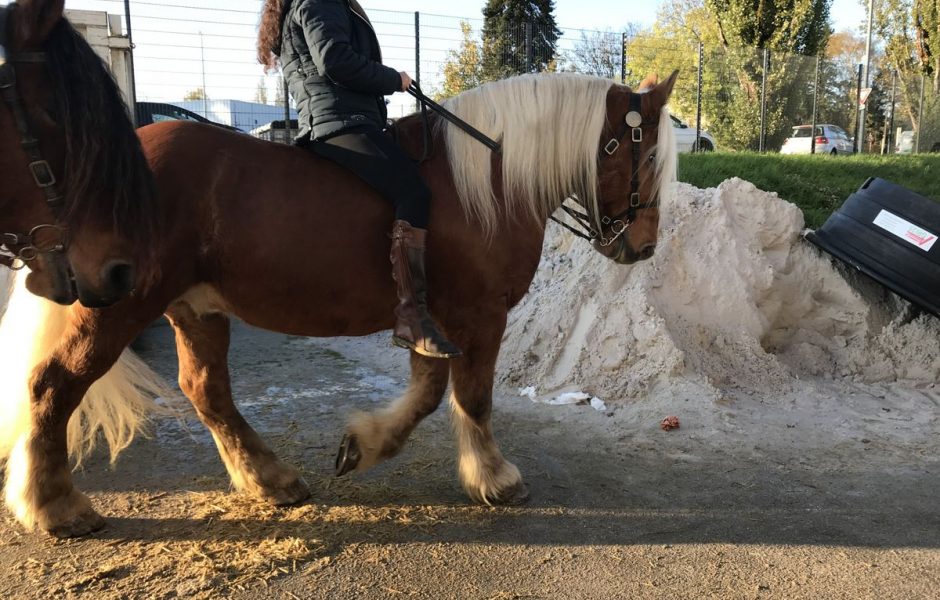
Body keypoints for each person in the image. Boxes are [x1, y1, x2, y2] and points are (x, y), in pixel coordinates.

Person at [257, 0, 461, 359]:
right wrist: (393, 79)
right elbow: (335, 60)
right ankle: (412, 318)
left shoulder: (300, 5)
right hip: (341, 121)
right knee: (414, 193)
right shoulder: (320, 1)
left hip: (334, 118)